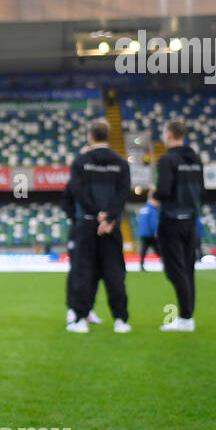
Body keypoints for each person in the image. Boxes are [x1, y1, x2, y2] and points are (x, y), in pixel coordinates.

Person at [63, 119, 131, 333]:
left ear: (90, 136)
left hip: (88, 225)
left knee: (84, 272)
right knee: (115, 273)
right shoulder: (120, 163)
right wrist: (109, 218)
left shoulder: (81, 161)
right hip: (111, 228)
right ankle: (121, 320)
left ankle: (81, 319)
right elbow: (122, 194)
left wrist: (96, 215)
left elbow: (77, 192)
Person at [150, 119, 204, 332]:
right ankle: (188, 315)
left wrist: (154, 193)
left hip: (171, 220)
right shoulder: (195, 159)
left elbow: (164, 191)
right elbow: (202, 190)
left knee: (175, 271)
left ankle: (185, 317)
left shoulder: (167, 160)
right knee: (188, 269)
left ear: (169, 134)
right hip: (190, 220)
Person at [136, 200, 160, 271]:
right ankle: (166, 263)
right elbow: (153, 222)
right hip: (151, 234)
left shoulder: (143, 210)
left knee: (143, 250)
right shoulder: (152, 210)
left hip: (143, 233)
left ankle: (141, 265)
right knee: (159, 250)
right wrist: (155, 231)